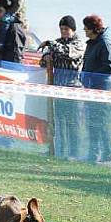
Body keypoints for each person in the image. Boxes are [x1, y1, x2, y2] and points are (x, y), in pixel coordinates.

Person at [38, 15, 84, 159]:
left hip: (73, 89)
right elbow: (43, 61)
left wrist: (50, 44)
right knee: (58, 123)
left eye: (66, 29)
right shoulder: (56, 43)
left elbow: (67, 52)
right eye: (61, 29)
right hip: (57, 88)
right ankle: (59, 151)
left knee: (73, 124)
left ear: (73, 29)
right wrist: (45, 58)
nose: (63, 31)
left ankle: (73, 154)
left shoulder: (79, 44)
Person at [81, 14, 111, 164]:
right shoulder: (92, 43)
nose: (85, 31)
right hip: (90, 88)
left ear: (94, 29)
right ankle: (93, 153)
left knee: (101, 123)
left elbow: (109, 66)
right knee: (92, 123)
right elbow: (86, 62)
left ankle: (106, 153)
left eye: (87, 28)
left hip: (101, 88)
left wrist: (92, 76)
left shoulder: (104, 43)